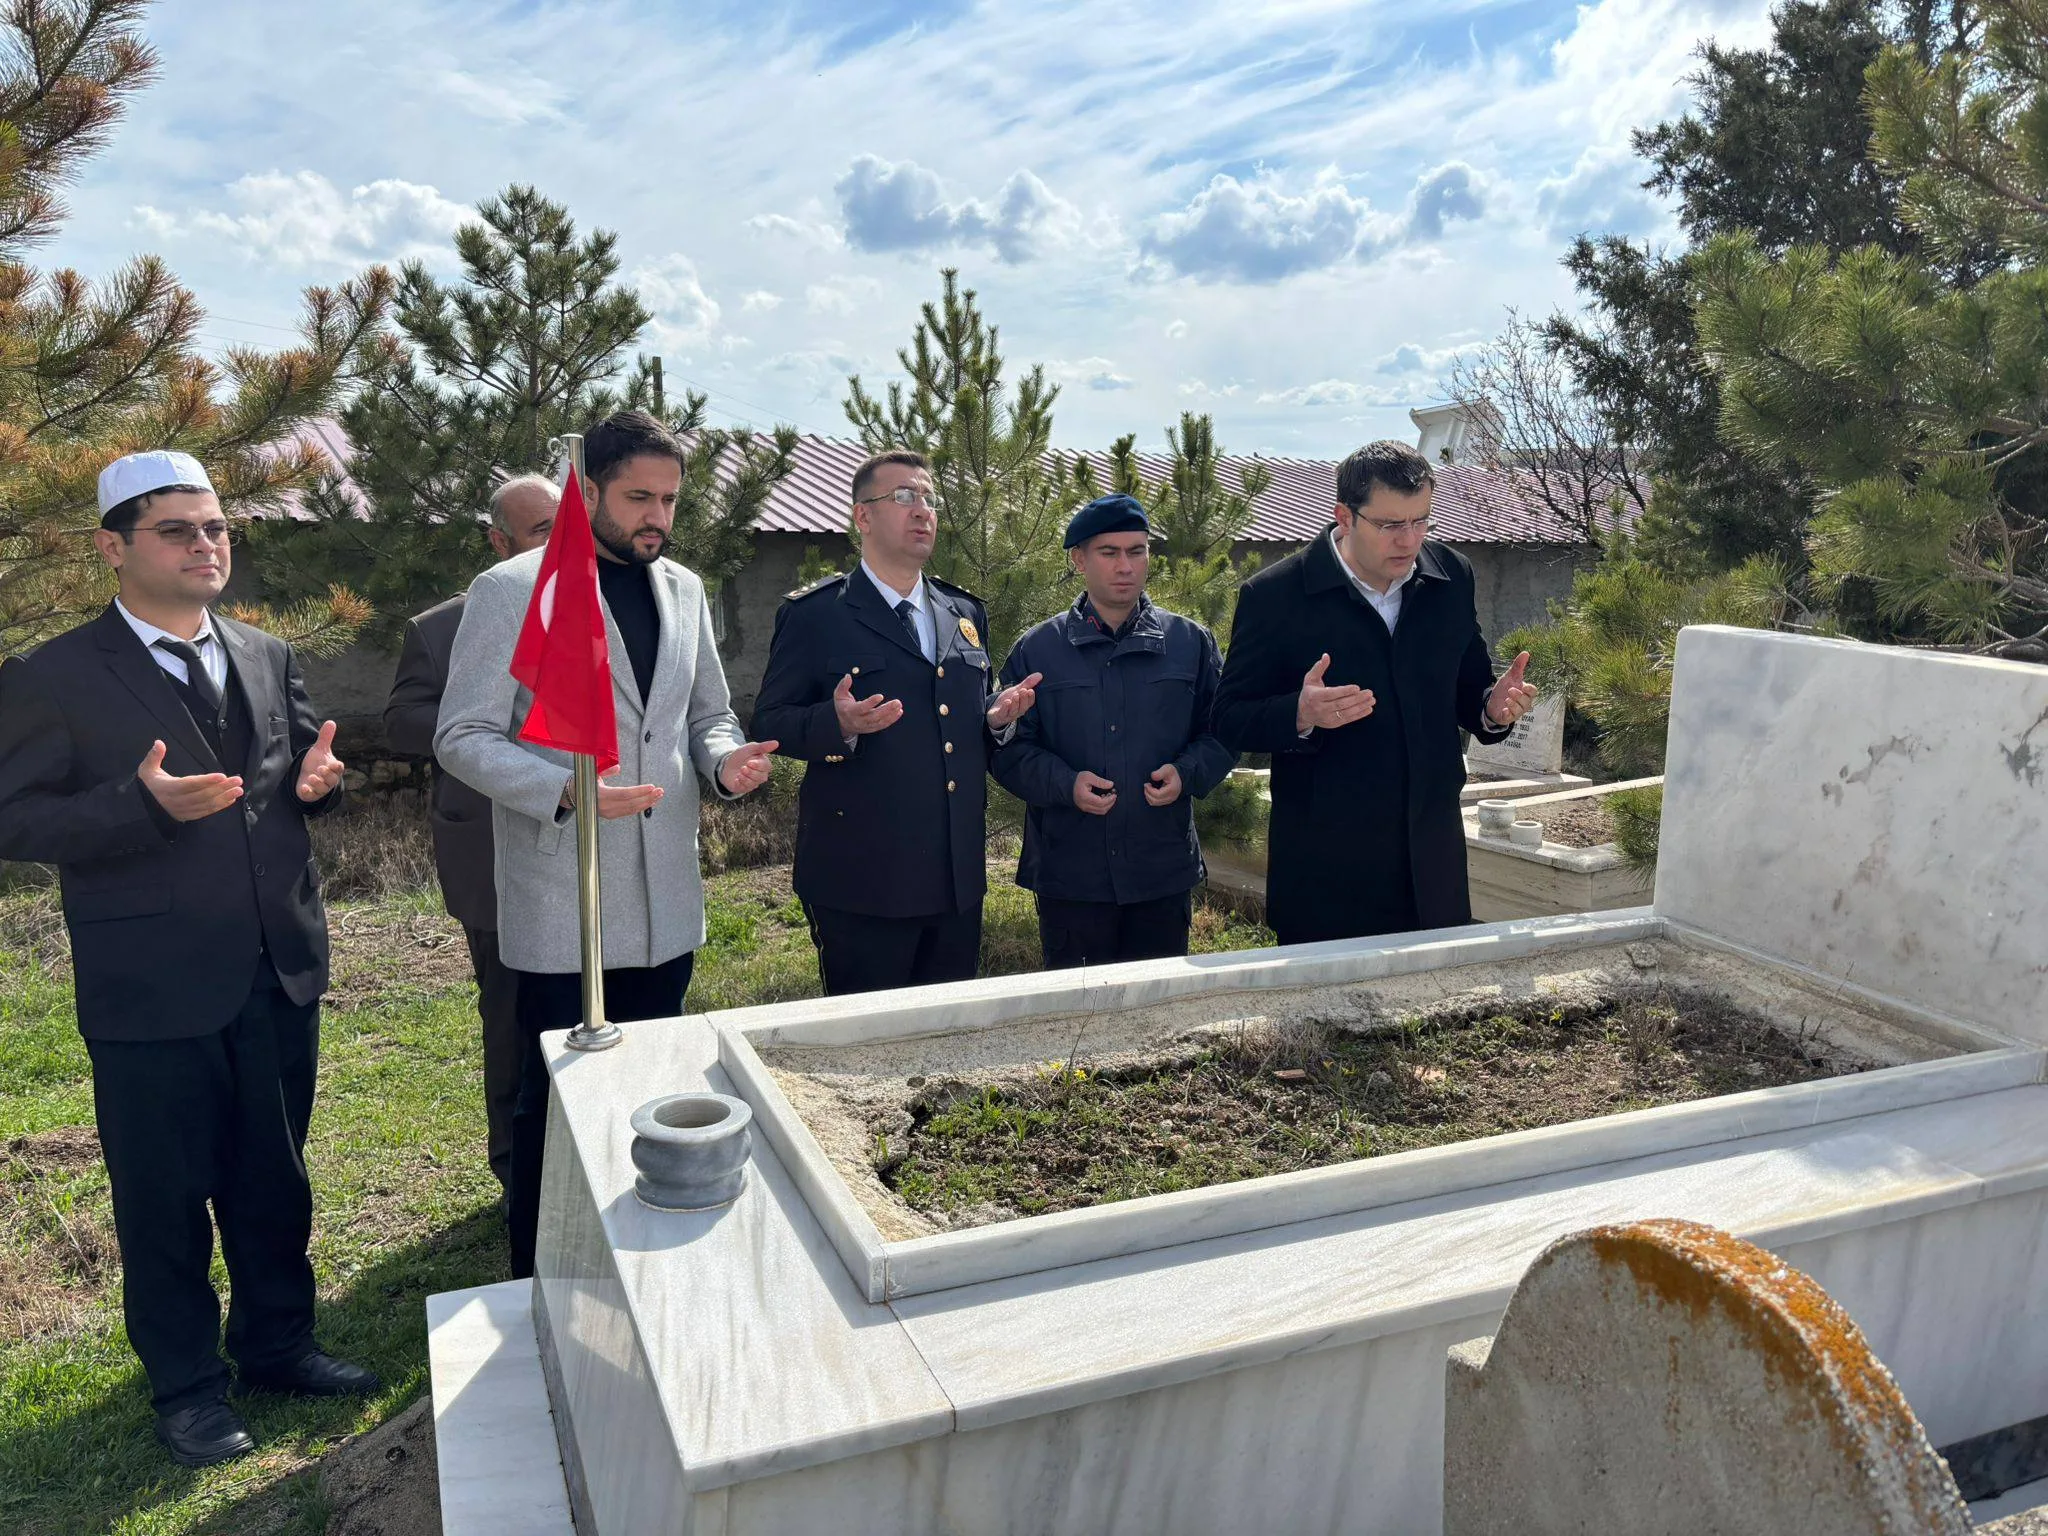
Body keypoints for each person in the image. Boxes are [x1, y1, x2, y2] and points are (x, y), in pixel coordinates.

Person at [0, 450, 378, 1469]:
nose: (206, 545)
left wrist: (320, 784)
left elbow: (298, 769)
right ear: (113, 548)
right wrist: (138, 807)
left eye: (215, 528)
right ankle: (188, 1387)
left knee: (273, 1175)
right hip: (150, 982)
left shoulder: (263, 654)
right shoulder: (52, 676)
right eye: (178, 530)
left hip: (275, 965)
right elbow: (13, 816)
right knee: (162, 1196)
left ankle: (278, 1345)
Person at [434, 411, 778, 1279]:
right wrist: (568, 792)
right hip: (567, 894)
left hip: (668, 895)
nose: (657, 515)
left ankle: (636, 1262)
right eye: (638, 497)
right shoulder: (516, 589)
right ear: (588, 491)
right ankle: (541, 1275)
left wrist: (723, 759)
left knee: (651, 1086)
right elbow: (464, 735)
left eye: (669, 498)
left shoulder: (686, 589)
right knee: (556, 1101)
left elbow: (708, 713)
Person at [1213, 440, 1538, 946]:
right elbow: (1228, 716)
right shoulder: (1275, 596)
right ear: (1345, 516)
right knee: (1330, 1018)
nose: (1409, 540)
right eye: (1390, 525)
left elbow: (1468, 694)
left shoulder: (1451, 577)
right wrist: (1298, 714)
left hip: (1431, 861)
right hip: (1328, 871)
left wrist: (1492, 710)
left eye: (1422, 520)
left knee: (1432, 1014)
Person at [751, 449, 1040, 995]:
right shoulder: (817, 615)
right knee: (866, 1044)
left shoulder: (963, 613)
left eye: (929, 498)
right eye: (904, 496)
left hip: (955, 876)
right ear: (863, 516)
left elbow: (962, 722)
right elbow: (770, 721)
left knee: (945, 1033)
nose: (922, 510)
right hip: (863, 876)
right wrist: (838, 723)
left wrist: (997, 720)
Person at [382, 474, 556, 1202]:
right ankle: (517, 1173)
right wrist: (486, 722)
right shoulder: (441, 627)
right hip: (491, 846)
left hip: (588, 844)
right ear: (498, 540)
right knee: (512, 1012)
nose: (558, 543)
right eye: (540, 529)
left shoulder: (603, 608)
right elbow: (399, 723)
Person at [992, 494, 1236, 967]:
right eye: (1109, 552)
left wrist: (1187, 773)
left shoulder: (1190, 643)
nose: (1125, 565)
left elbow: (1224, 731)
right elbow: (1007, 748)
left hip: (1160, 869)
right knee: (1078, 1017)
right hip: (1071, 873)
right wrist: (1066, 784)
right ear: (1079, 559)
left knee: (1157, 1018)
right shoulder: (1038, 650)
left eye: (1137, 551)